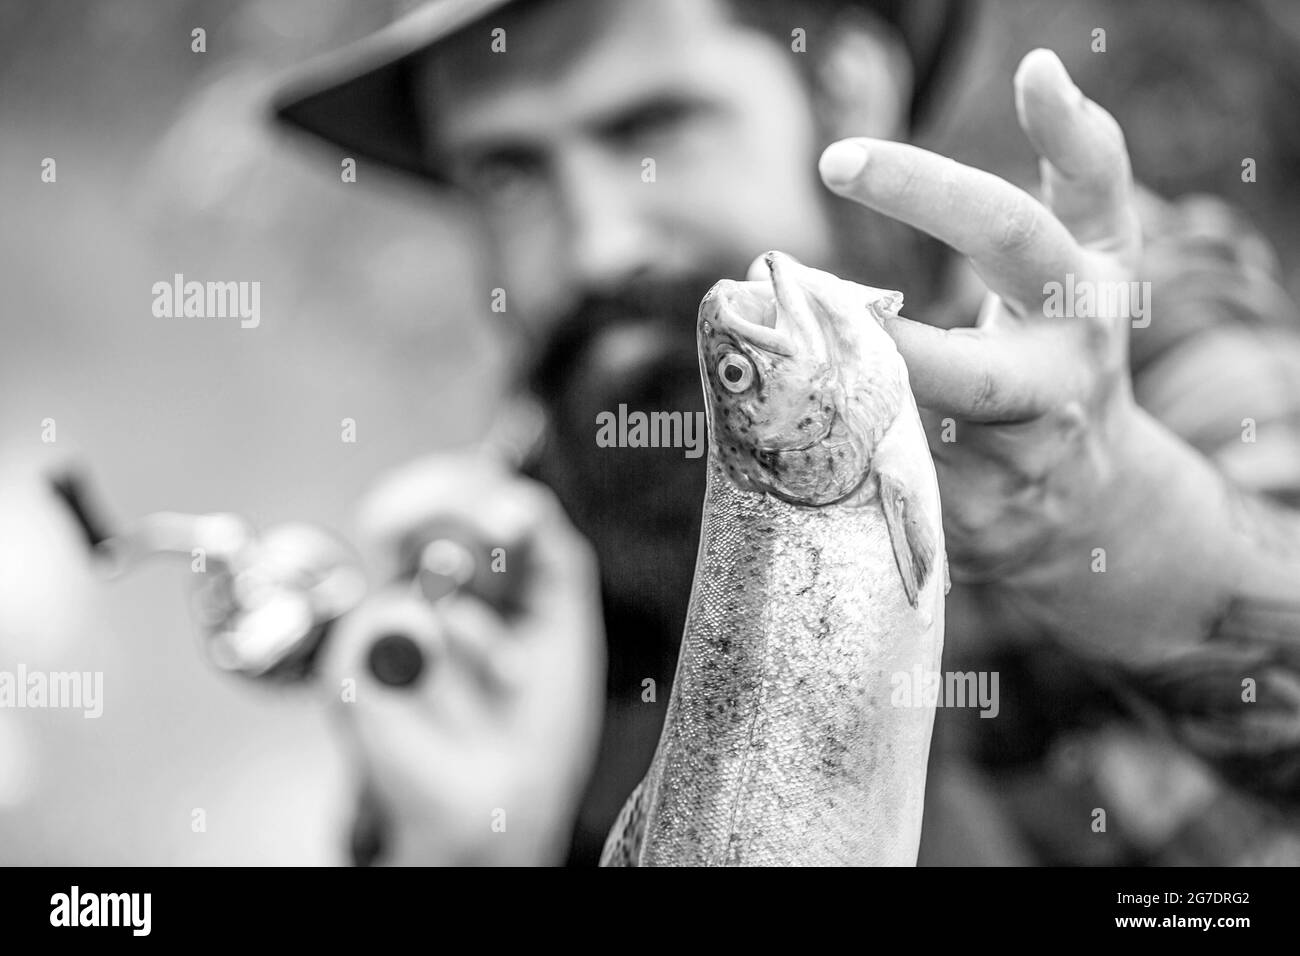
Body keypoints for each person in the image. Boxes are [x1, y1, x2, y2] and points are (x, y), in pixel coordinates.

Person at [271, 0, 1300, 865]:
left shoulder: (1128, 320)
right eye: (506, 173)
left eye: (650, 128)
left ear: (848, 85)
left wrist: (1121, 513)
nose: (597, 242)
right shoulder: (494, 594)